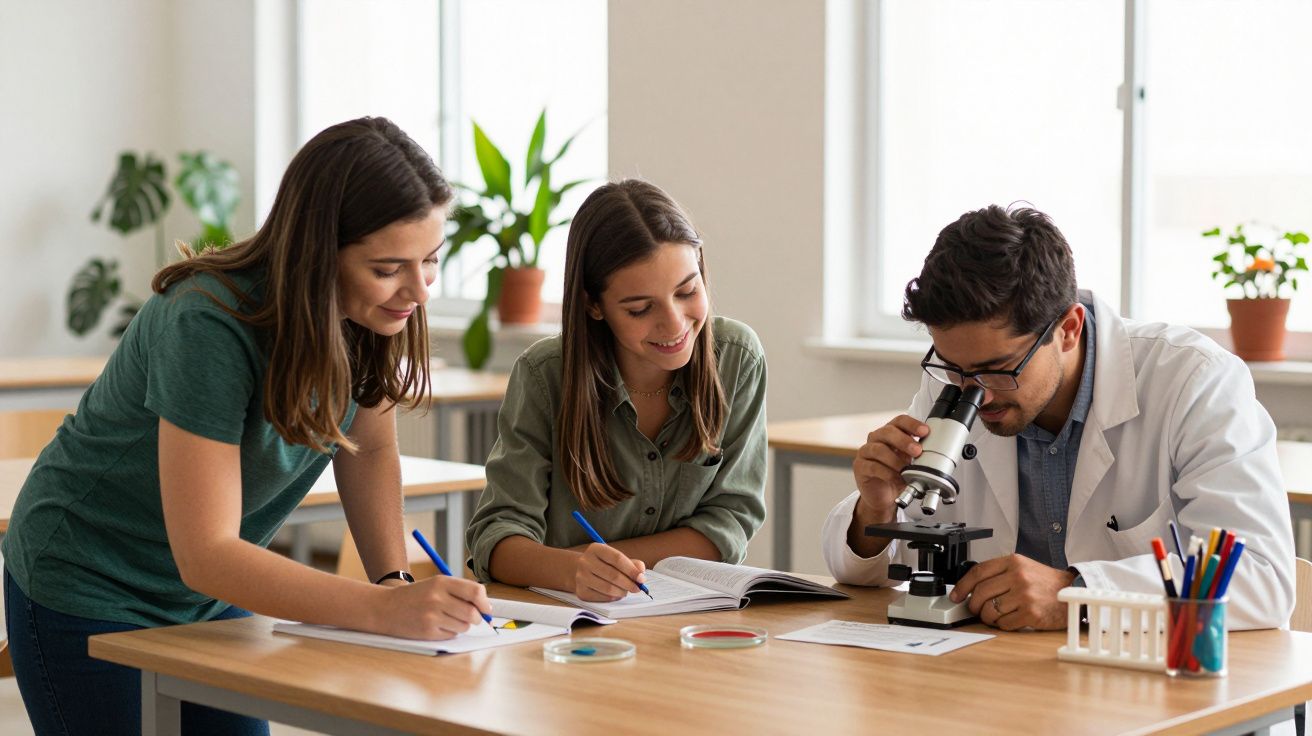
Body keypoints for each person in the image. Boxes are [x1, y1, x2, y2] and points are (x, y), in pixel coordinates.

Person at [2, 117, 492, 736]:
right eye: (389, 267)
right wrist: (378, 610)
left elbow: (368, 452)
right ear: (317, 254)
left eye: (431, 261)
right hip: (89, 578)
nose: (418, 290)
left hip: (205, 594)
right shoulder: (207, 322)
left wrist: (393, 584)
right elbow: (206, 553)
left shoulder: (371, 315)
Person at [821, 204, 1295, 630]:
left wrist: (1078, 595)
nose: (975, 395)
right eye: (955, 368)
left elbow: (1260, 577)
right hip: (1009, 681)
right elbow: (869, 570)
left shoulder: (1194, 381)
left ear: (1068, 329)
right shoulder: (960, 380)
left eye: (997, 370)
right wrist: (876, 510)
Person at [465, 179, 768, 601]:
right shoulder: (544, 375)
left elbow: (730, 522)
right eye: (640, 309)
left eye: (688, 291)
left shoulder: (736, 358)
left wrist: (594, 563)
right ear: (593, 305)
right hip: (569, 625)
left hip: (687, 618)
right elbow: (497, 539)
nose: (675, 324)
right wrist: (573, 571)